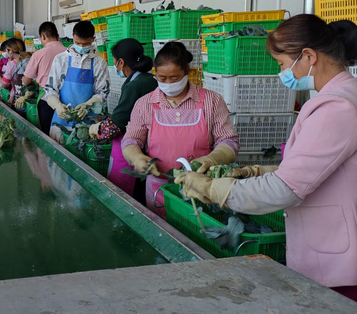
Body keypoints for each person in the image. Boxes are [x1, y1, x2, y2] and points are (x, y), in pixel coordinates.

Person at [175, 15, 357, 301]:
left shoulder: (337, 106)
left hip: (339, 265)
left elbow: (287, 188)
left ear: (308, 56)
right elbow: (321, 170)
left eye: (282, 64)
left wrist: (212, 189)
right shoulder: (339, 96)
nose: (280, 73)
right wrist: (255, 172)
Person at [121, 41, 238, 217]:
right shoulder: (145, 103)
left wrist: (212, 159)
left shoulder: (211, 101)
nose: (168, 83)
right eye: (162, 78)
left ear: (187, 72)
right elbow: (131, 140)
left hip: (201, 187)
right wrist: (136, 157)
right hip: (159, 189)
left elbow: (229, 141)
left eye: (174, 78)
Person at [88, 39, 157, 196]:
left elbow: (118, 123)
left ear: (121, 62)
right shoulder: (149, 79)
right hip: (151, 144)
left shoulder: (134, 85)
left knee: (132, 192)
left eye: (114, 60)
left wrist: (97, 129)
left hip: (137, 146)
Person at [44, 20, 110, 142]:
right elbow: (50, 89)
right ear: (73, 37)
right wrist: (57, 105)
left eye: (85, 44)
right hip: (61, 122)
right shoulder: (60, 60)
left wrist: (87, 105)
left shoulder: (99, 63)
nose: (81, 47)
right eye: (77, 42)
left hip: (88, 125)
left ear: (93, 39)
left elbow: (102, 92)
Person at [22, 22, 67, 133]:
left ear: (42, 36)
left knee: (47, 134)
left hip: (47, 100)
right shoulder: (69, 52)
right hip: (67, 101)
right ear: (58, 36)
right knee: (64, 135)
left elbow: (26, 81)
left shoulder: (39, 54)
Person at [1, 38, 33, 112]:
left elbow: (34, 83)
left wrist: (25, 97)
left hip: (27, 104)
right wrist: (12, 96)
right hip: (18, 102)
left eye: (6, 50)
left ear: (11, 50)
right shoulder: (18, 62)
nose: (6, 52)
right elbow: (15, 84)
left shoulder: (26, 63)